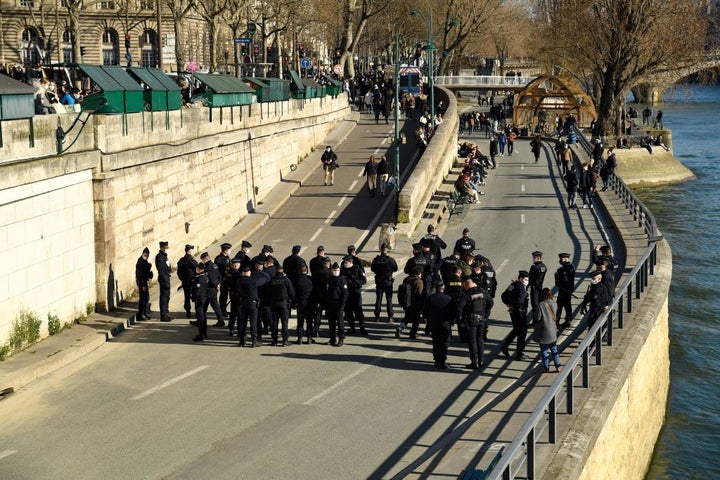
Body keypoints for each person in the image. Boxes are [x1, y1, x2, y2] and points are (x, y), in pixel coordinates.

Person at [456, 277, 493, 370]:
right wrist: (485, 312)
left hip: (471, 320)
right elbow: (491, 302)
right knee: (480, 340)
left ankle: (474, 362)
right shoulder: (483, 291)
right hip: (482, 319)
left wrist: (461, 319)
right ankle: (481, 361)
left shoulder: (467, 294)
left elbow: (459, 308)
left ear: (467, 286)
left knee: (472, 341)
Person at [233, 264, 270, 347]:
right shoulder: (254, 281)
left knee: (243, 323)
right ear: (249, 273)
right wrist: (260, 271)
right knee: (253, 323)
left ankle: (242, 341)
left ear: (243, 273)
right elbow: (265, 279)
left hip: (243, 303)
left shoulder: (239, 281)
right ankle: (254, 341)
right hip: (252, 304)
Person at [500, 270, 530, 360]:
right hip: (519, 312)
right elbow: (520, 301)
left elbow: (503, 296)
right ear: (520, 278)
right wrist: (516, 306)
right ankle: (519, 353)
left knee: (516, 329)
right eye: (525, 279)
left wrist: (510, 305)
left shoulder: (513, 285)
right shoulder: (520, 287)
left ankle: (505, 345)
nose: (526, 281)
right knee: (522, 332)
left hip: (513, 311)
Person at [423, 281, 454, 369]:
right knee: (444, 342)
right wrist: (451, 321)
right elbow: (453, 312)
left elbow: (425, 311)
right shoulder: (448, 298)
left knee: (436, 342)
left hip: (434, 323)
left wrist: (429, 319)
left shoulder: (430, 298)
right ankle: (442, 360)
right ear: (443, 289)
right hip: (445, 324)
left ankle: (437, 360)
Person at [534, 288, 562, 372]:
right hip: (552, 330)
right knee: (554, 349)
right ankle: (558, 366)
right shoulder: (554, 303)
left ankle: (546, 367)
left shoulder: (541, 305)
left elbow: (538, 317)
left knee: (544, 350)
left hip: (543, 331)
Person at [267, 266, 295, 346]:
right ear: (283, 272)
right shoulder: (286, 280)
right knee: (284, 323)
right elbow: (292, 292)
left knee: (274, 322)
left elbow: (268, 292)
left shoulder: (271, 280)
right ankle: (284, 341)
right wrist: (292, 301)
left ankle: (274, 340)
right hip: (283, 303)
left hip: (273, 303)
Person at [371, 243, 398, 323]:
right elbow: (395, 268)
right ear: (387, 250)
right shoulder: (391, 260)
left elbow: (372, 269)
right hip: (388, 282)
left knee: (378, 299)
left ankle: (377, 317)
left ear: (381, 249)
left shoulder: (376, 259)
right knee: (389, 299)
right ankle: (390, 317)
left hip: (379, 281)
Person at [396, 266, 425, 339]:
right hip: (415, 304)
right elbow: (419, 294)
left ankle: (400, 328)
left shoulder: (406, 279)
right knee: (416, 320)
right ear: (418, 273)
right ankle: (413, 333)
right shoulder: (419, 281)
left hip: (406, 303)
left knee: (407, 318)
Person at [341, 255, 367, 335]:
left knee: (358, 311)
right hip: (347, 293)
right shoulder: (343, 270)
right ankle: (352, 328)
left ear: (350, 262)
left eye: (346, 262)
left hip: (356, 293)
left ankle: (362, 328)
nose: (344, 263)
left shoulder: (357, 269)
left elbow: (364, 280)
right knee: (348, 312)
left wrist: (355, 281)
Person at [200, 252, 226, 327]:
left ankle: (220, 320)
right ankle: (201, 319)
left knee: (213, 305)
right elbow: (219, 275)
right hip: (214, 288)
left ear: (205, 259)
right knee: (205, 305)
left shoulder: (208, 267)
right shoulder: (214, 265)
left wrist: (216, 285)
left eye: (203, 260)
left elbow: (211, 278)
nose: (202, 261)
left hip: (210, 289)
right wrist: (219, 284)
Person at [326, 262, 349, 346]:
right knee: (331, 323)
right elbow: (327, 291)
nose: (335, 271)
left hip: (339, 303)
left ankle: (341, 338)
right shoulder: (330, 279)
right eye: (334, 270)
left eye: (337, 270)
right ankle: (332, 338)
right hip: (331, 303)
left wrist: (342, 304)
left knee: (340, 323)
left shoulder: (342, 280)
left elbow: (345, 293)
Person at [292, 264, 314, 344]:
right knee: (309, 321)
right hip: (309, 303)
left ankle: (300, 338)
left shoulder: (296, 280)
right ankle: (309, 338)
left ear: (299, 271)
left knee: (300, 321)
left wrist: (293, 303)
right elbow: (314, 292)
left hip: (300, 302)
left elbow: (294, 293)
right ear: (306, 270)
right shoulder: (310, 279)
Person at [554, 253, 576, 328]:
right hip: (569, 290)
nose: (560, 260)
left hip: (564, 290)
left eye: (561, 259)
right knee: (567, 305)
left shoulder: (562, 269)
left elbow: (563, 280)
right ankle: (568, 320)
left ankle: (556, 322)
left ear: (566, 259)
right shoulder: (572, 266)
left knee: (559, 306)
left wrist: (556, 276)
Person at [177, 244, 198, 318]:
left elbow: (179, 273)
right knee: (195, 297)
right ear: (190, 251)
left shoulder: (181, 261)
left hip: (185, 282)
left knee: (187, 297)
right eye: (192, 250)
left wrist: (183, 280)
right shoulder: (192, 261)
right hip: (192, 282)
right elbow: (197, 271)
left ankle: (188, 311)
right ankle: (197, 312)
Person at [190, 263, 210, 341]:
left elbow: (198, 291)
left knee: (200, 317)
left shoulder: (199, 279)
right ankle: (204, 333)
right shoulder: (204, 276)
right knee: (203, 316)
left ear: (199, 269)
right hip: (203, 298)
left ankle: (201, 335)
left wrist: (194, 298)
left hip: (200, 300)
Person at [155, 241, 172, 321]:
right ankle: (164, 316)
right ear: (162, 248)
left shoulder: (164, 256)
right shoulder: (160, 257)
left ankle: (166, 314)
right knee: (164, 298)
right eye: (166, 247)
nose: (167, 249)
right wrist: (166, 281)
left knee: (167, 297)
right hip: (163, 279)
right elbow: (161, 271)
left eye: (167, 247)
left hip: (166, 278)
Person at [528, 251, 547, 323]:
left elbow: (530, 277)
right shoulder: (544, 266)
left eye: (534, 257)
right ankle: (540, 319)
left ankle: (535, 321)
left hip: (534, 288)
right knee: (539, 303)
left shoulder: (534, 267)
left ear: (538, 258)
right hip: (540, 287)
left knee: (534, 304)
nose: (533, 259)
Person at [135, 247, 153, 320]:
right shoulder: (140, 262)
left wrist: (150, 274)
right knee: (143, 299)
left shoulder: (144, 261)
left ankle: (144, 313)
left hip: (144, 281)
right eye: (145, 254)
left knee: (146, 298)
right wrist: (142, 285)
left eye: (148, 255)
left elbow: (146, 272)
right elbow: (139, 274)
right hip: (142, 282)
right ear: (143, 254)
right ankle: (141, 314)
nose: (147, 256)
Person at [214, 243, 232, 316]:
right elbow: (218, 271)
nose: (230, 251)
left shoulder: (227, 257)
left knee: (226, 295)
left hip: (227, 279)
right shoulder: (218, 259)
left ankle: (224, 309)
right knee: (223, 295)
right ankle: (222, 309)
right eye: (229, 249)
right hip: (222, 280)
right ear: (225, 250)